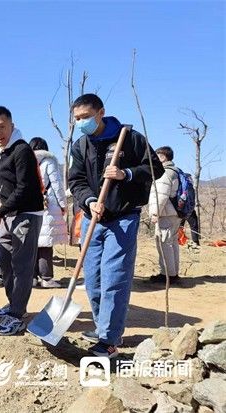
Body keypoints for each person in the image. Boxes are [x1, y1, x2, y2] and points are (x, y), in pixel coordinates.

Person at [68, 93, 164, 358]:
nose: (81, 122)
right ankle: (103, 327)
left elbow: (155, 168)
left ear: (100, 113)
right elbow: (75, 180)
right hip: (93, 218)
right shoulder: (80, 145)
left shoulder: (130, 138)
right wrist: (89, 201)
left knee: (114, 278)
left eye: (85, 117)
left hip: (123, 218)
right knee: (93, 279)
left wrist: (127, 174)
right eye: (77, 119)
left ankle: (109, 340)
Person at [0, 106, 45, 336]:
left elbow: (25, 187)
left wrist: (0, 211)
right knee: (3, 258)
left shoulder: (22, 150)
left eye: (2, 127)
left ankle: (17, 315)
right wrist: (0, 203)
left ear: (12, 125)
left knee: (22, 264)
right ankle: (14, 303)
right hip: (7, 212)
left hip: (27, 213)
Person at [29, 137, 68, 289]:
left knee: (31, 244)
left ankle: (31, 278)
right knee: (45, 244)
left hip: (30, 206)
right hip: (48, 206)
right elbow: (57, 185)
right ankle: (46, 277)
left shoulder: (26, 161)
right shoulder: (49, 161)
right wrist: (63, 205)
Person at [149, 146, 182, 284]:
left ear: (163, 157)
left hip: (166, 214)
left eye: (157, 156)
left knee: (164, 244)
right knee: (172, 242)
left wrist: (155, 213)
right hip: (174, 214)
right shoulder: (176, 171)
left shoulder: (165, 173)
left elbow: (160, 195)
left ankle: (167, 275)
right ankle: (173, 273)